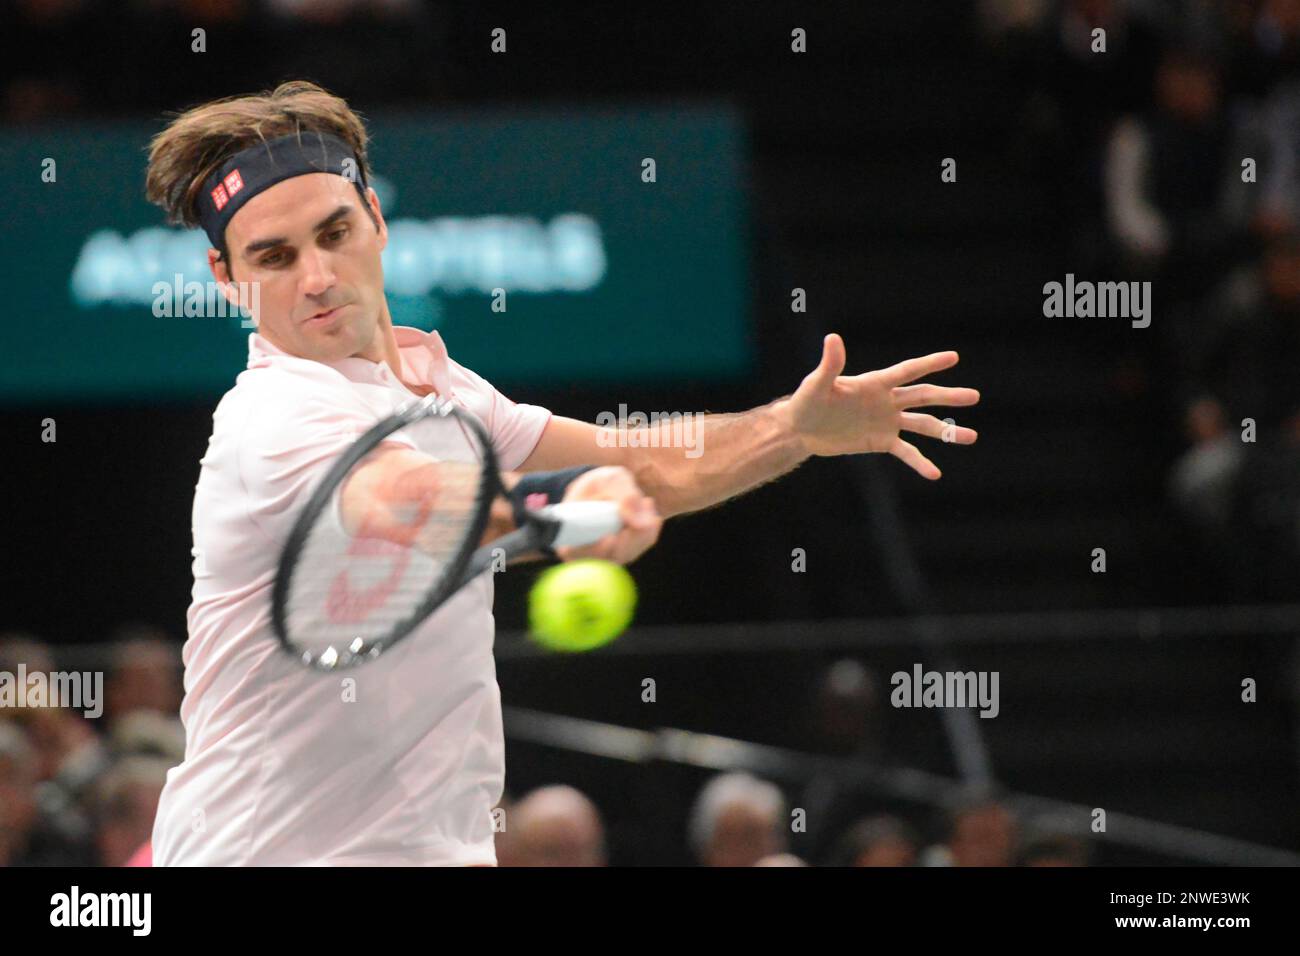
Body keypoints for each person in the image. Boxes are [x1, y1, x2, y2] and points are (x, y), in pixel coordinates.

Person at [143, 81, 980, 866]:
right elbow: (411, 503)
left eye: (334, 234)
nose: (317, 279)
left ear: (374, 217)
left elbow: (643, 466)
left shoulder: (448, 390)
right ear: (227, 278)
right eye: (275, 256)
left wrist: (792, 428)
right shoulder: (274, 415)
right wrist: (567, 507)